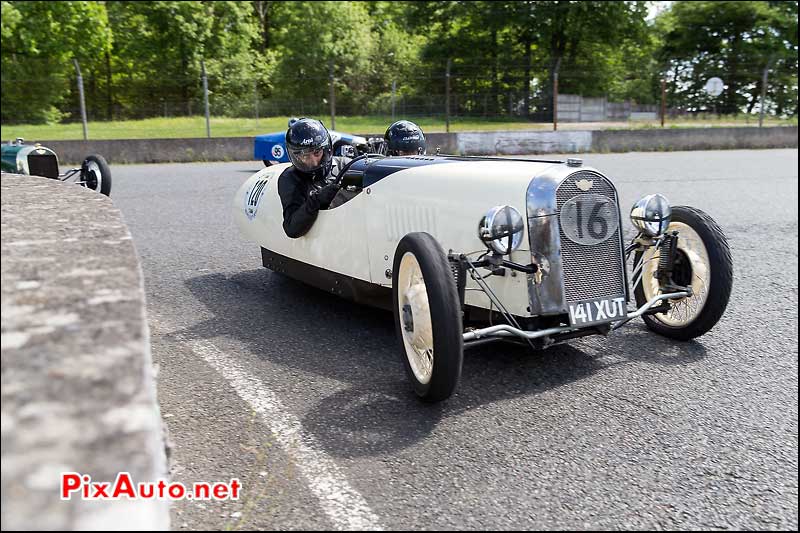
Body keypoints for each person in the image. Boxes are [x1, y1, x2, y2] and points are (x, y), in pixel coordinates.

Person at [278, 118, 346, 238]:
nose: (314, 162)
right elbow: (292, 229)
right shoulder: (290, 178)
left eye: (317, 153)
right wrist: (316, 200)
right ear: (296, 156)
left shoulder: (345, 165)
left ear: (325, 149)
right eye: (305, 156)